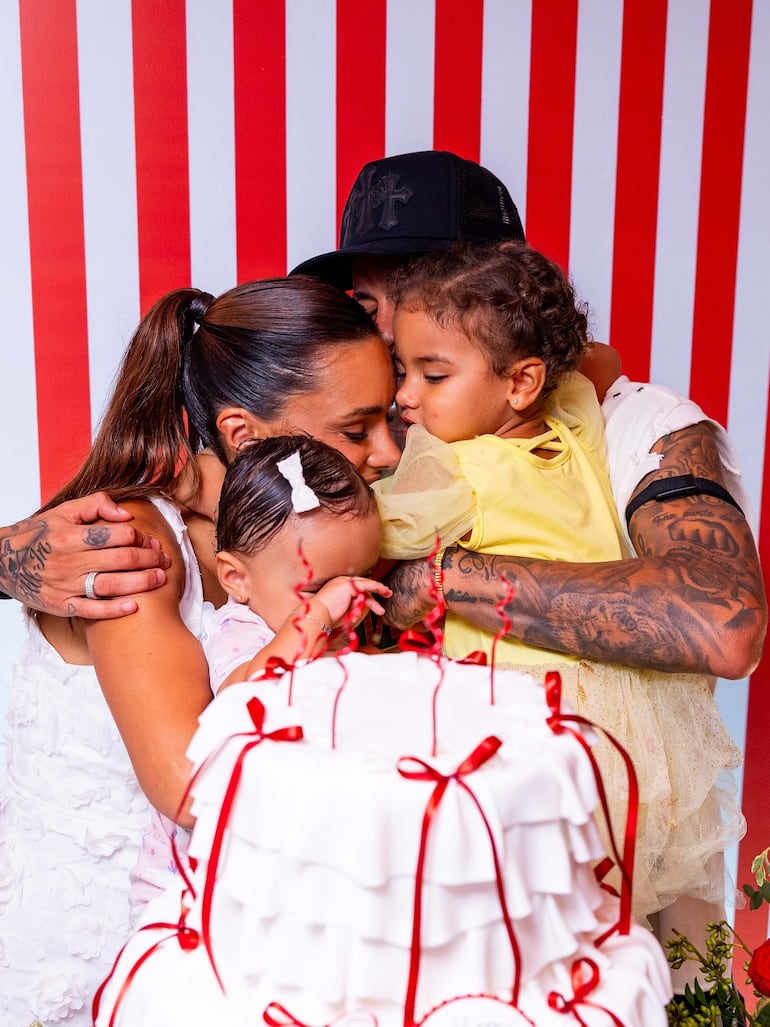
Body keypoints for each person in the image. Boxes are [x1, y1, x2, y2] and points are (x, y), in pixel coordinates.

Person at [0, 275, 400, 1027]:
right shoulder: (137, 545)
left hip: (228, 946)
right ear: (244, 434)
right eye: (358, 428)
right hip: (104, 956)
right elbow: (190, 783)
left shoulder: (307, 543)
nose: (385, 451)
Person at [369, 240, 744, 949]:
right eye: (401, 369)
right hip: (630, 726)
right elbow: (593, 366)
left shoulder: (449, 465)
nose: (405, 396)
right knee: (603, 933)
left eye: (432, 372)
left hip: (519, 725)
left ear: (519, 382)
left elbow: (372, 533)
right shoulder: (573, 425)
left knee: (518, 930)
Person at [291, 149, 766, 682]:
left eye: (424, 293)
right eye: (368, 303)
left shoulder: (637, 424)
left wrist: (443, 576)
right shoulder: (357, 434)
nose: (389, 332)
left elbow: (722, 625)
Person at [202, 435, 390, 694]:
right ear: (237, 579)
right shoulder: (241, 632)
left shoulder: (326, 624)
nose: (346, 600)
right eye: (318, 589)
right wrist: (317, 612)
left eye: (362, 578)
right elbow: (243, 697)